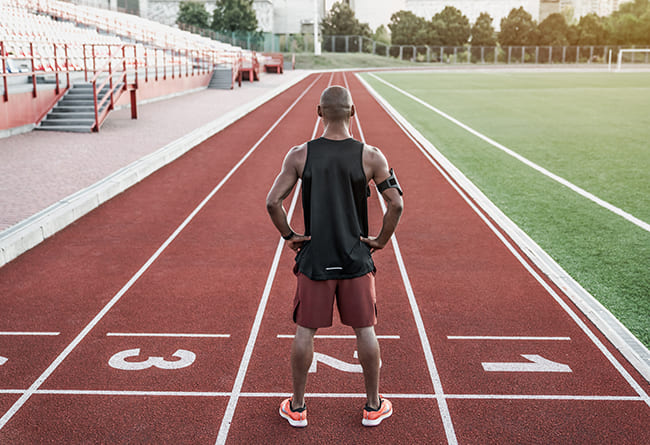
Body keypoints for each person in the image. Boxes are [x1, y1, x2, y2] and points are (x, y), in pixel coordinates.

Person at [266, 85, 403, 428]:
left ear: (319, 112)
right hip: (356, 258)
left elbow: (272, 203)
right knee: (365, 331)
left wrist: (290, 236)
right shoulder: (371, 156)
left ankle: (297, 407)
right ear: (353, 112)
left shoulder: (299, 155)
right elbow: (397, 204)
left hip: (315, 260)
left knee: (304, 332)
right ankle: (373, 406)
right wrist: (380, 241)